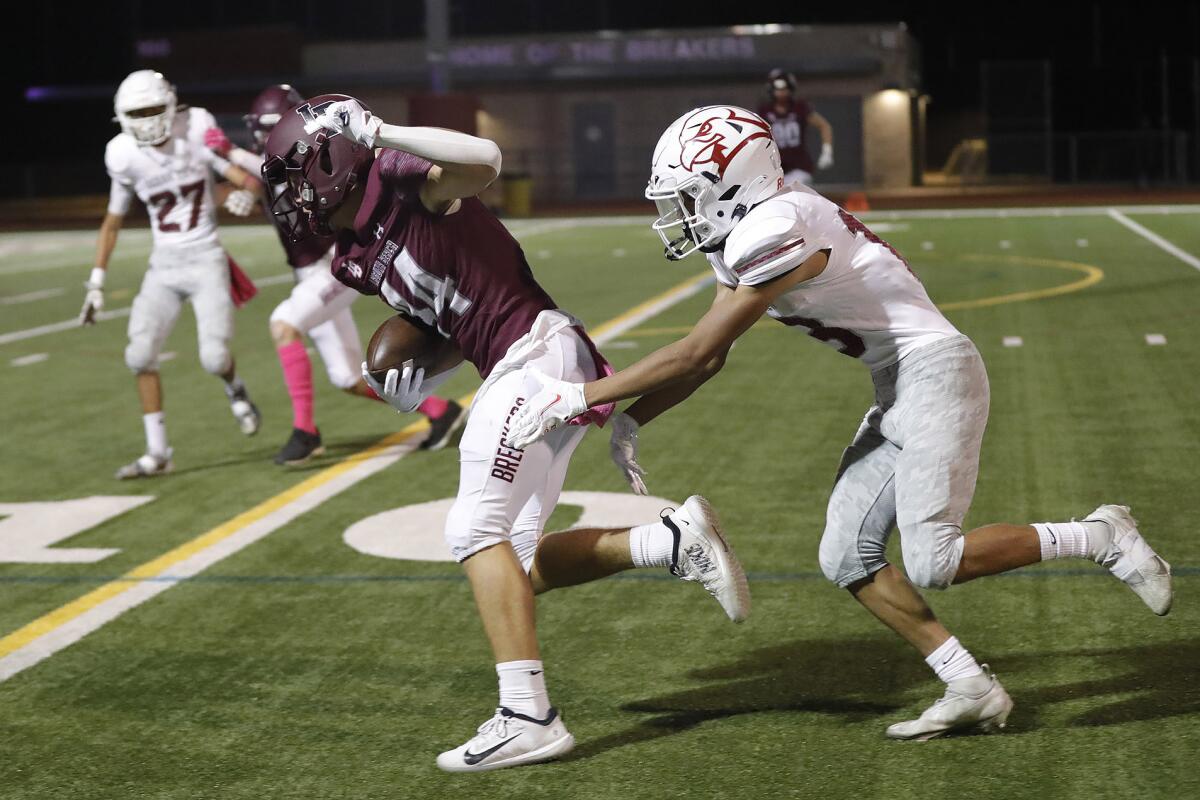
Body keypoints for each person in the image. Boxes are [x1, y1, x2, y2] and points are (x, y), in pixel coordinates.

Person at [505, 105, 1174, 741]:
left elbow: (696, 351)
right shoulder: (751, 230)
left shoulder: (778, 225)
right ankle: (969, 685)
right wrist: (631, 418)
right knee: (845, 557)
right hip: (899, 386)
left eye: (685, 195)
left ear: (729, 183)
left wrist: (577, 396)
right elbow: (709, 358)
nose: (674, 213)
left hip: (938, 372)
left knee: (936, 560)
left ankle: (1098, 536)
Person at [260, 94, 751, 770]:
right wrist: (418, 375)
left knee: (471, 531)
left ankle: (528, 716)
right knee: (516, 568)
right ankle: (669, 541)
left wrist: (379, 132)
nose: (286, 195)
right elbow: (459, 317)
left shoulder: (406, 181)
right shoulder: (349, 257)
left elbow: (486, 161)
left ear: (329, 162)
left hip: (537, 356)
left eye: (291, 174)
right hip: (521, 359)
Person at [203, 85, 464, 464]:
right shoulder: (283, 163)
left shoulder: (310, 163)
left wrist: (229, 153)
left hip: (334, 266)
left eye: (270, 128)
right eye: (261, 130)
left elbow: (269, 177)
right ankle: (442, 411)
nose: (266, 139)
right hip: (310, 273)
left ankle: (305, 432)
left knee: (283, 323)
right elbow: (265, 177)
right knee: (346, 377)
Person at [82, 69, 263, 479]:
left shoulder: (195, 128)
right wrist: (95, 281)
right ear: (121, 116)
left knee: (215, 357)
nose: (146, 120)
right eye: (137, 112)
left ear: (171, 106)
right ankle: (158, 451)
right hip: (163, 266)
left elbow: (245, 178)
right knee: (139, 355)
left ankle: (235, 389)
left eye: (152, 109)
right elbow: (112, 221)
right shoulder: (123, 154)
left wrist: (246, 193)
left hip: (205, 259)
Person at [758, 69, 834, 187]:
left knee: (796, 190)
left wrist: (827, 151)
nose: (781, 92)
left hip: (799, 166)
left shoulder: (800, 108)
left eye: (784, 88)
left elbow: (824, 125)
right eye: (778, 89)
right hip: (775, 169)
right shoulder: (765, 111)